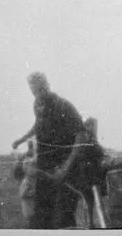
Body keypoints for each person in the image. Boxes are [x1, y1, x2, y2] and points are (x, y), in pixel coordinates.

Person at [11, 71, 84, 228]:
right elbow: (38, 125)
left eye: (39, 89)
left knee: (63, 219)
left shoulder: (63, 105)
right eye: (33, 91)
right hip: (45, 168)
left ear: (46, 85)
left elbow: (81, 134)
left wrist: (66, 167)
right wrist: (22, 139)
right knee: (42, 218)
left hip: (66, 168)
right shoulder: (37, 105)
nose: (37, 94)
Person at [52, 117, 107, 228]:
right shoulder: (84, 138)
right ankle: (90, 222)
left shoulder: (90, 138)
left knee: (90, 199)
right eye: (93, 126)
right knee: (88, 198)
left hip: (89, 173)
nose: (95, 129)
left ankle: (91, 222)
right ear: (88, 126)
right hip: (85, 173)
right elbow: (86, 152)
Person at [13, 139, 40, 228]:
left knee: (31, 214)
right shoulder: (30, 159)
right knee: (29, 215)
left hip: (31, 188)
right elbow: (23, 194)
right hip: (29, 188)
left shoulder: (30, 157)